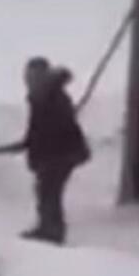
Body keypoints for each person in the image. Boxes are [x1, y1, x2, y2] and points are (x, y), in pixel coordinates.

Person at [17, 56, 90, 245]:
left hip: (61, 152)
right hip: (58, 151)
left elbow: (54, 128)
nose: (28, 80)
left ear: (42, 75)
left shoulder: (50, 96)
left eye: (32, 75)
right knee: (47, 190)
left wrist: (37, 149)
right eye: (27, 76)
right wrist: (28, 142)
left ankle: (52, 231)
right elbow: (37, 127)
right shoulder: (43, 96)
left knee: (49, 190)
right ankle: (49, 228)